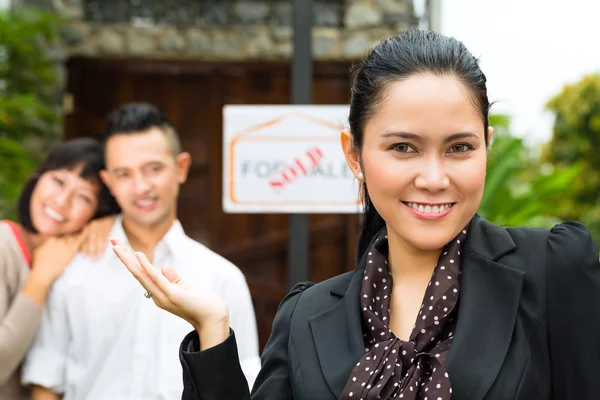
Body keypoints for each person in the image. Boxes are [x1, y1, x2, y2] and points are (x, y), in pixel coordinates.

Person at [111, 29, 600, 400]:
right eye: (403, 147)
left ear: (486, 147)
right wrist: (213, 328)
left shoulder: (554, 271)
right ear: (354, 154)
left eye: (459, 148)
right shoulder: (306, 317)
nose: (433, 177)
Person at [22, 103, 261, 400]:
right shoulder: (72, 266)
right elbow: (46, 381)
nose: (141, 187)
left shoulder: (223, 278)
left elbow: (245, 383)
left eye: (154, 169)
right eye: (124, 174)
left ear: (181, 168)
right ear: (108, 182)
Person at [0, 138, 120, 400]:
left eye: (83, 197)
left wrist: (113, 222)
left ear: (95, 214)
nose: (62, 202)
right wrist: (39, 280)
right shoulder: (3, 246)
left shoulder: (78, 264)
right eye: (58, 181)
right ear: (36, 178)